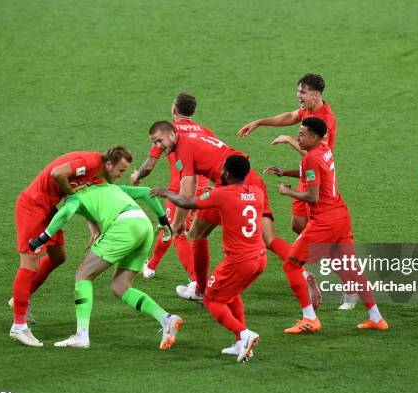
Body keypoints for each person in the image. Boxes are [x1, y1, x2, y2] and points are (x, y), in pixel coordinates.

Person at [149, 120, 297, 306]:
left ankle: (201, 290)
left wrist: (178, 224)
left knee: (196, 233)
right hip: (251, 179)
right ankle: (302, 271)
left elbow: (186, 193)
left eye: (159, 141)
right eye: (154, 143)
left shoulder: (183, 149)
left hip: (231, 184)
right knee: (268, 238)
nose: (158, 146)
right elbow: (193, 182)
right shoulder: (192, 139)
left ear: (172, 135)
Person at [28, 178, 182, 349]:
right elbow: (147, 192)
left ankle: (81, 335)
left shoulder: (76, 197)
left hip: (124, 227)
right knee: (120, 286)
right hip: (144, 226)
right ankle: (166, 319)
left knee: (83, 275)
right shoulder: (108, 186)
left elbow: (64, 214)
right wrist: (163, 222)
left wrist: (43, 238)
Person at [265, 117, 388, 333]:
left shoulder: (311, 158)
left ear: (313, 137)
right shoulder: (324, 149)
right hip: (341, 215)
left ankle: (310, 319)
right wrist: (284, 171)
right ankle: (377, 318)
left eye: (302, 134)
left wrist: (289, 192)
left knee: (291, 265)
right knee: (352, 269)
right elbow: (315, 174)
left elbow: (312, 197)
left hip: (324, 221)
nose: (298, 137)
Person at [10, 146, 133, 346]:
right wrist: (69, 189)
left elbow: (81, 201)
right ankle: (19, 326)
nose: (121, 176)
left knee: (58, 256)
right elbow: (58, 174)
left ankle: (20, 298)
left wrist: (94, 228)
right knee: (29, 263)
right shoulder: (91, 162)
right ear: (108, 164)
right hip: (32, 206)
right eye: (120, 171)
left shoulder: (97, 177)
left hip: (48, 208)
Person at [238, 73, 338, 308]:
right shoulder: (309, 111)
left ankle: (342, 275)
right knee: (298, 225)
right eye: (298, 91)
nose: (299, 96)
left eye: (303, 92)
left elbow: (312, 153)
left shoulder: (325, 120)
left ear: (316, 94)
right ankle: (313, 264)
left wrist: (288, 139)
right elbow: (292, 116)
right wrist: (260, 122)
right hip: (307, 174)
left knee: (316, 231)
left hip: (318, 178)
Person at [152, 155, 264, 362]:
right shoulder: (257, 193)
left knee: (212, 300)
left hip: (239, 261)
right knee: (231, 294)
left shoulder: (222, 195)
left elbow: (187, 201)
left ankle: (245, 334)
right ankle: (241, 342)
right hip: (259, 258)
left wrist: (166, 192)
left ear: (227, 174)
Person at [131, 93, 210, 281]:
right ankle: (151, 266)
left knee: (178, 232)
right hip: (203, 188)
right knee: (173, 228)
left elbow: (150, 164)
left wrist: (137, 175)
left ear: (174, 108)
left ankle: (196, 281)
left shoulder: (168, 132)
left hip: (180, 188)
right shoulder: (204, 131)